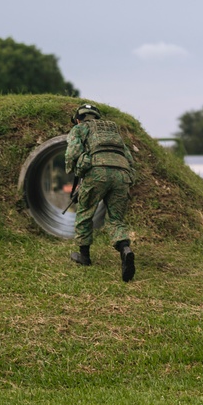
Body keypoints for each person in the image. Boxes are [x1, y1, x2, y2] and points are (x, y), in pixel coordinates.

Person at [65, 103, 136, 282]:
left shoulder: (80, 128)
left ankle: (84, 255)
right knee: (115, 219)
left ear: (78, 119)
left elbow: (72, 152)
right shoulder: (113, 132)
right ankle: (125, 249)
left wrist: (78, 170)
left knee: (85, 212)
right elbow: (129, 158)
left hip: (97, 173)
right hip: (122, 175)